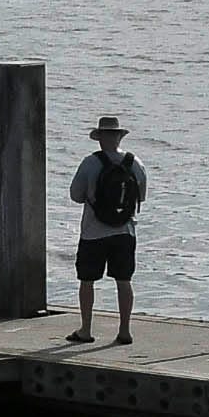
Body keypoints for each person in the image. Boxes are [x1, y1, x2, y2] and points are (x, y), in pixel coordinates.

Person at [64, 113, 145, 347]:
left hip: (93, 232)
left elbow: (75, 196)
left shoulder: (90, 163)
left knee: (87, 280)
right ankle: (124, 330)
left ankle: (86, 329)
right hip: (125, 231)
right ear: (119, 137)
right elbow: (142, 197)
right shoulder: (135, 163)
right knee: (124, 280)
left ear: (99, 138)